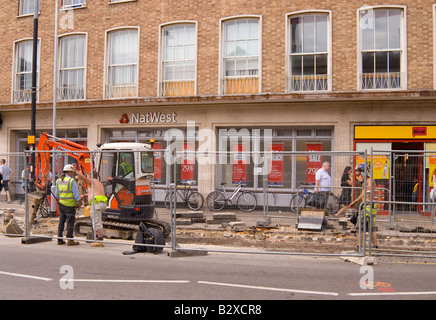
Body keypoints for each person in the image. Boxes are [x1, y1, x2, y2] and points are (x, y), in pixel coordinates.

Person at [343, 168, 379, 249]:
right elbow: (362, 195)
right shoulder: (366, 182)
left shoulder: (370, 180)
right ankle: (375, 245)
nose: (357, 177)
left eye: (359, 175)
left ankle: (359, 245)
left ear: (364, 174)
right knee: (371, 228)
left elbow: (369, 189)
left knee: (360, 227)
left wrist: (363, 182)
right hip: (367, 206)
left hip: (368, 207)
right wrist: (354, 202)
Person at [75, 167, 107, 247]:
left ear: (91, 176)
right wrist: (85, 195)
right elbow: (96, 192)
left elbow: (84, 178)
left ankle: (99, 240)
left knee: (96, 222)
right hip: (102, 203)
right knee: (98, 220)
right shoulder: (99, 183)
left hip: (96, 204)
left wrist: (76, 171)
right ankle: (98, 237)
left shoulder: (92, 181)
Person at [55, 164, 82, 246]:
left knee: (61, 222)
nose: (73, 174)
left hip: (62, 204)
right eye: (72, 172)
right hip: (70, 205)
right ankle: (70, 240)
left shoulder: (58, 180)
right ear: (69, 172)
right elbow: (76, 195)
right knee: (70, 222)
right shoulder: (71, 181)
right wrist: (79, 202)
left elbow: (56, 195)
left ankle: (59, 239)